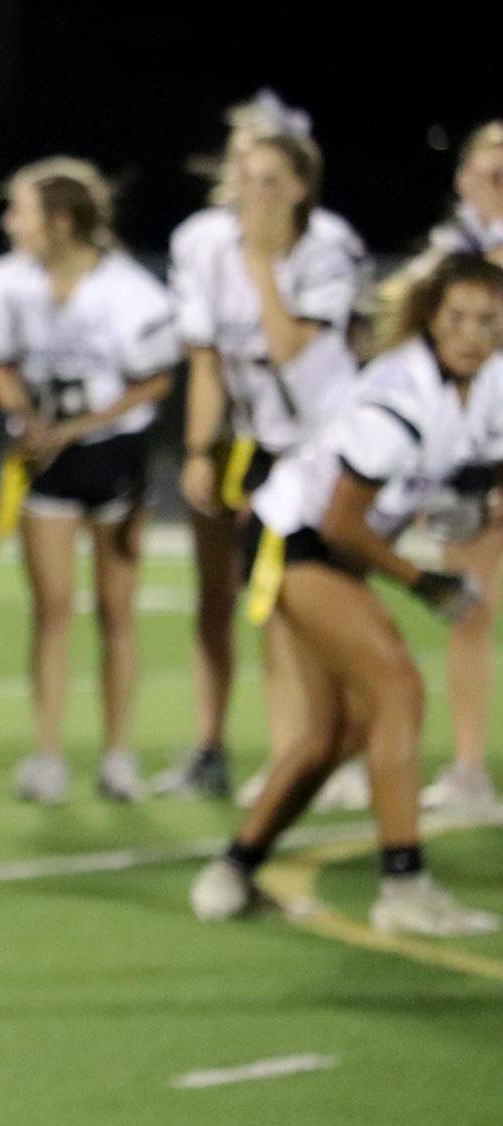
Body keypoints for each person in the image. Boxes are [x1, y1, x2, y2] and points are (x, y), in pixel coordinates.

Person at [189, 253, 503, 937]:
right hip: (295, 537)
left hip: (331, 545)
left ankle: (233, 869)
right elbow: (341, 523)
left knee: (335, 731)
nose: (471, 333)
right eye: (457, 317)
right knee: (397, 690)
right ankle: (403, 885)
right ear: (429, 316)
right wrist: (424, 582)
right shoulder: (400, 394)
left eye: (487, 320)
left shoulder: (484, 387)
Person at [155, 93, 370, 802]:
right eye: (245, 175)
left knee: (325, 600)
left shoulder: (326, 245)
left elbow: (285, 347)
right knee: (266, 600)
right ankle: (291, 752)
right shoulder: (199, 242)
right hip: (258, 445)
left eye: (269, 178)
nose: (253, 192)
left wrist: (258, 260)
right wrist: (195, 449)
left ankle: (344, 749)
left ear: (299, 183)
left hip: (331, 444)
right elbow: (209, 357)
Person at [0, 158, 178, 804]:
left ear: (61, 223)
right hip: (48, 457)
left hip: (114, 453)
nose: (9, 224)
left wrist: (79, 425)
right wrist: (25, 418)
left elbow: (155, 379)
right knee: (51, 611)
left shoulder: (131, 293)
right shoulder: (5, 285)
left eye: (21, 212)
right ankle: (48, 754)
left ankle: (118, 756)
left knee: (116, 612)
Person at [416, 122, 503, 810]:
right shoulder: (446, 255)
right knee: (469, 612)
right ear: (462, 174)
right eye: (488, 155)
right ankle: (470, 769)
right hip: (476, 453)